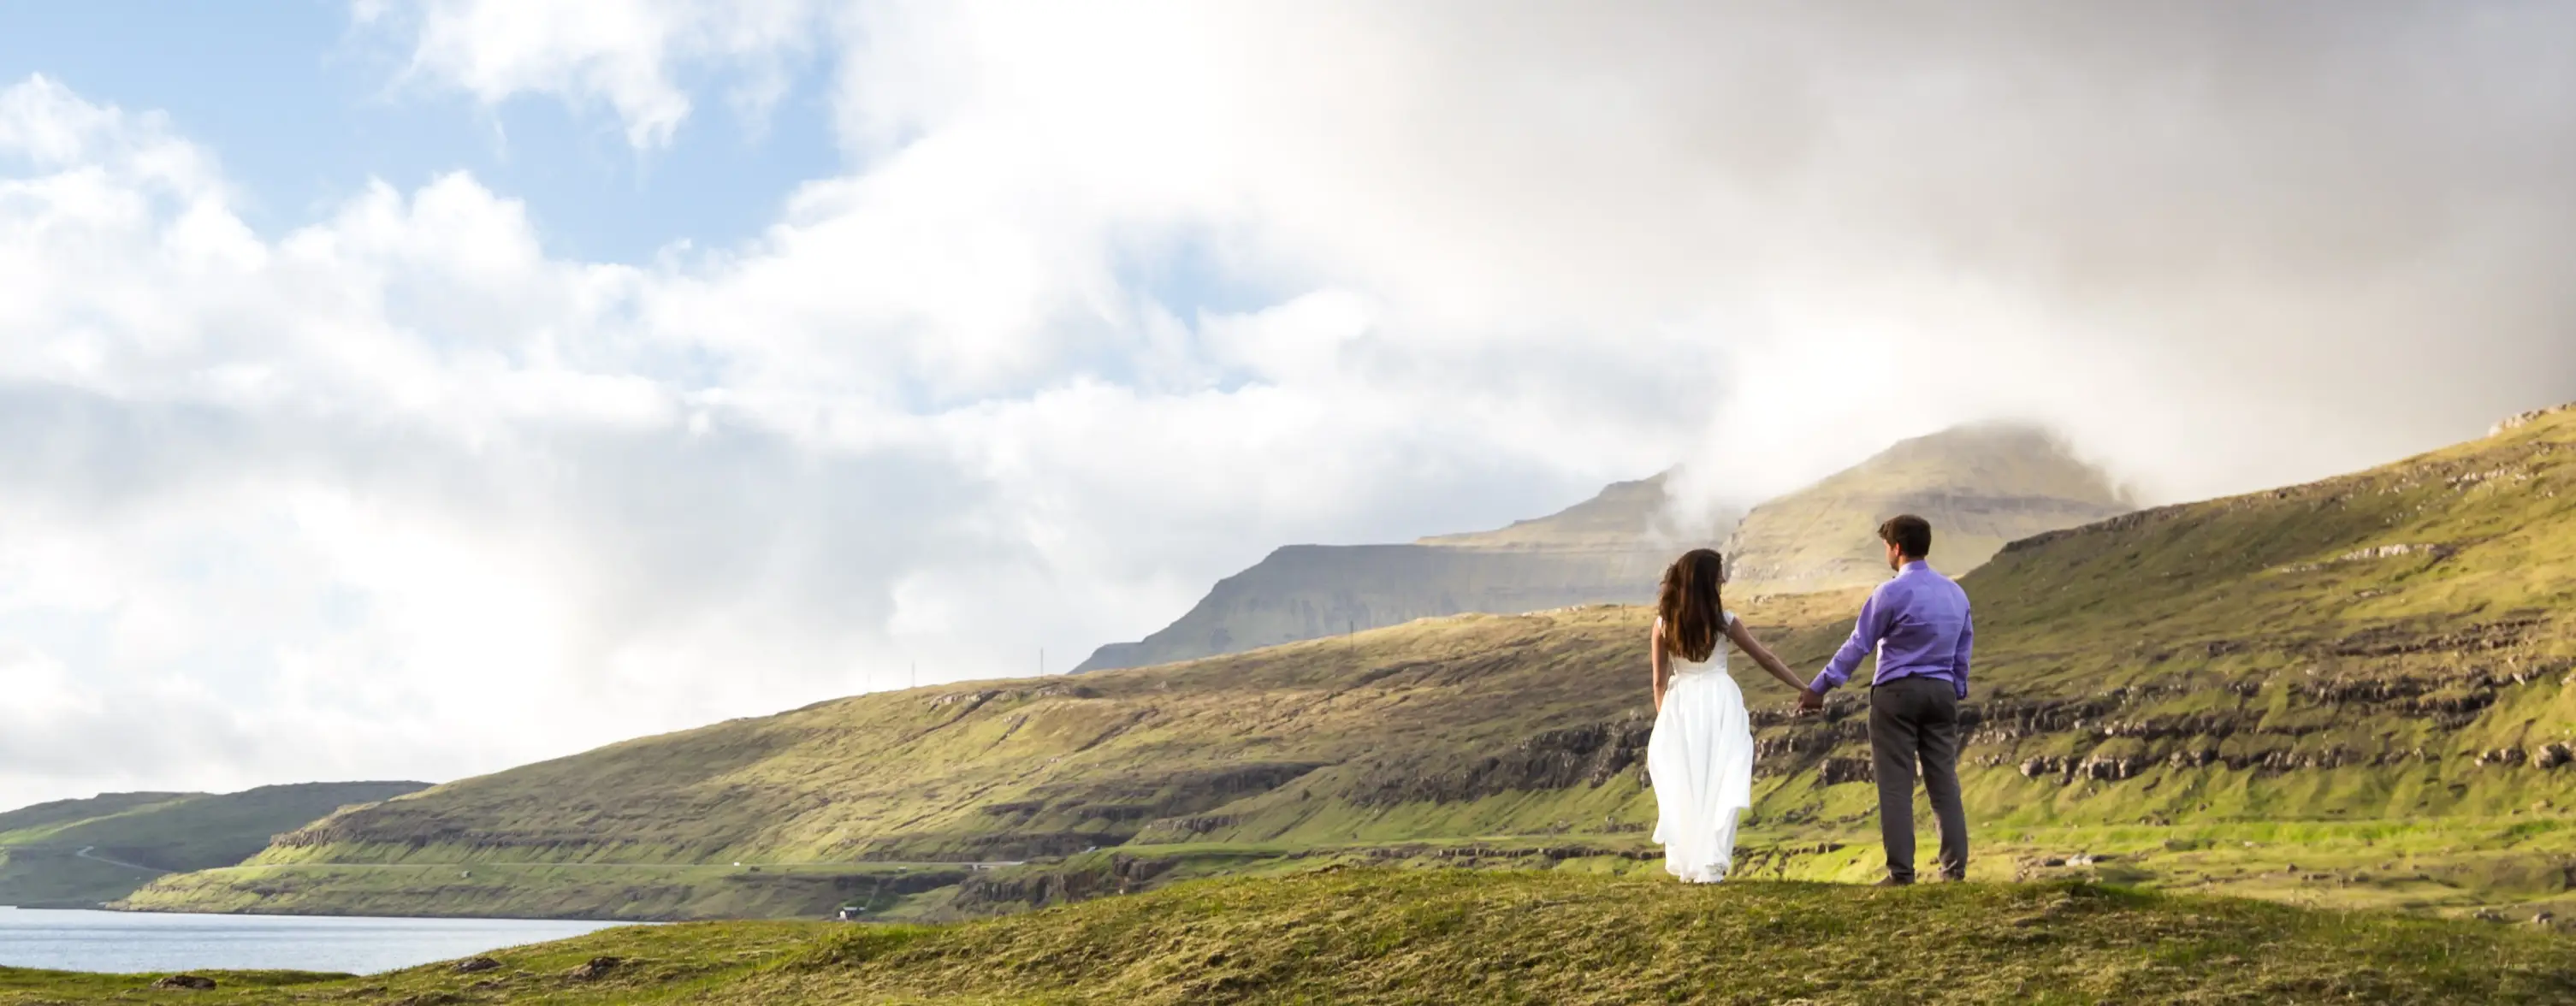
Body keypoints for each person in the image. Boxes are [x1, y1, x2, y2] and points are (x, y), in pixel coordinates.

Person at [1799, 514, 1975, 885]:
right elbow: (1963, 649)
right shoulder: (1956, 593)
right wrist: (1955, 688)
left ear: (1896, 548)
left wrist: (1819, 688)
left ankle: (1901, 873)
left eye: (1886, 547)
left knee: (1895, 786)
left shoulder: (1889, 593)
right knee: (1944, 783)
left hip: (1897, 694)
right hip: (1942, 693)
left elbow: (1858, 645)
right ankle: (1953, 872)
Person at [1646, 548, 1814, 883]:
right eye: (1720, 573)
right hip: (1719, 701)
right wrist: (1804, 687)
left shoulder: (1663, 624)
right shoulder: (1725, 621)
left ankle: (1690, 861)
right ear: (1708, 580)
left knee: (1687, 783)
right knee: (1723, 778)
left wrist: (1666, 720)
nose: (1724, 579)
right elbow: (1765, 658)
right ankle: (1712, 861)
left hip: (1679, 707)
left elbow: (1658, 681)